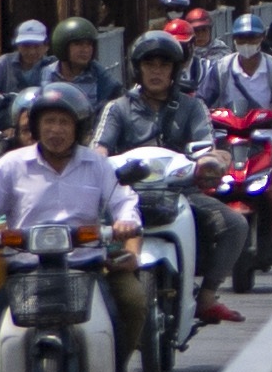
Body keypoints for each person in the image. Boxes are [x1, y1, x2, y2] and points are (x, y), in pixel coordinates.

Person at [0, 82, 145, 372]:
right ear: (35, 125)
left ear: (79, 128)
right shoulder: (11, 165)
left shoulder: (96, 165)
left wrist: (125, 222)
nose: (56, 131)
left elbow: (123, 199)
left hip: (85, 267)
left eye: (64, 123)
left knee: (129, 303)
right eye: (49, 122)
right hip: (25, 269)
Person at [99, 32, 244, 313]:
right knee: (87, 230)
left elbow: (207, 148)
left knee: (235, 225)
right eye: (149, 64)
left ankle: (207, 295)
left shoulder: (192, 106)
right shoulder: (117, 108)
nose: (156, 71)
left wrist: (211, 161)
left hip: (181, 191)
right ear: (137, 69)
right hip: (126, 195)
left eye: (164, 65)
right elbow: (99, 149)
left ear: (174, 70)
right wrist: (98, 164)